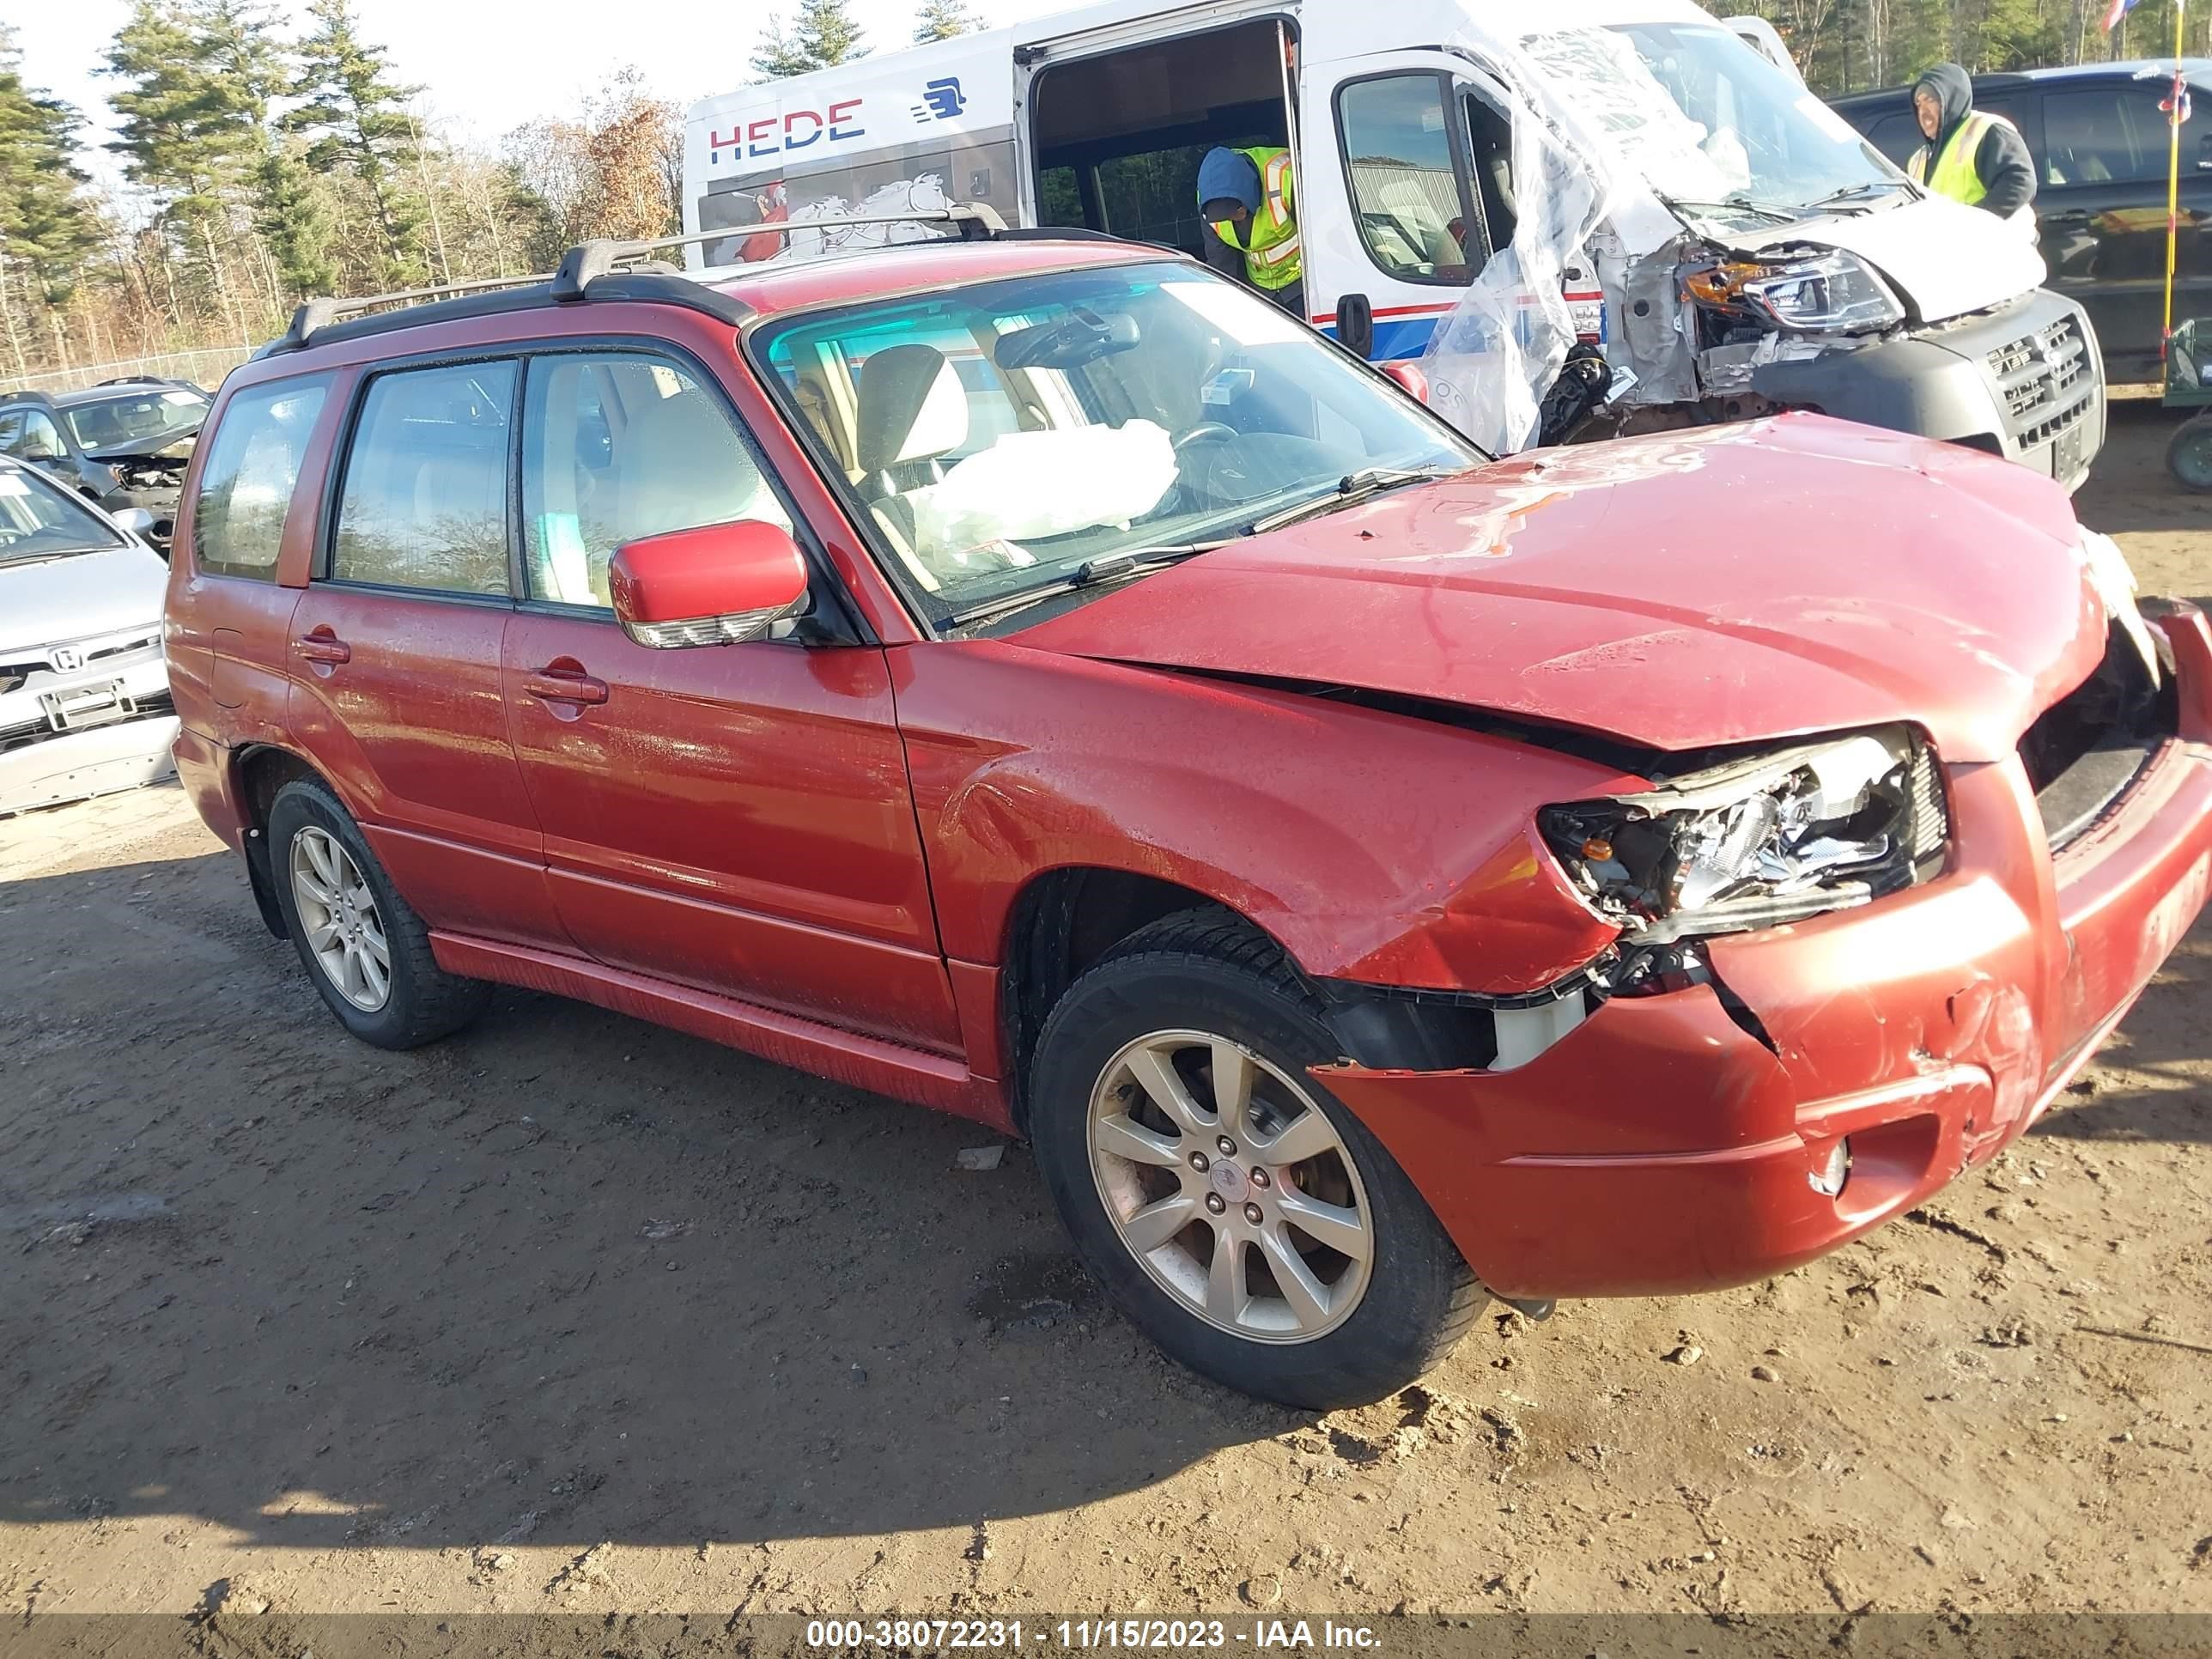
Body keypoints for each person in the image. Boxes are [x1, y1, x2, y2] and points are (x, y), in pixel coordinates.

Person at [1906, 64, 2036, 227]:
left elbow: (2020, 183)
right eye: (1918, 104)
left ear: (1951, 99)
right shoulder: (1918, 160)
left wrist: (1972, 224)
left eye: (1930, 100)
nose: (1923, 112)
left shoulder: (1985, 130)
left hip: (1999, 246)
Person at [1195, 145, 1303, 315]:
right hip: (1260, 291)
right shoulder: (1209, 205)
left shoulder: (1286, 176)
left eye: (1236, 212)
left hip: (1305, 282)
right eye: (1226, 217)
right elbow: (1222, 265)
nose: (1232, 220)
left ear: (1249, 195)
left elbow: (1323, 239)